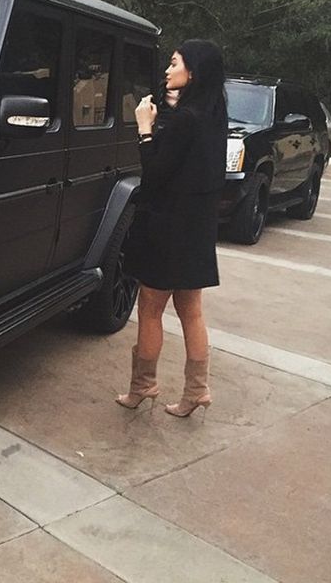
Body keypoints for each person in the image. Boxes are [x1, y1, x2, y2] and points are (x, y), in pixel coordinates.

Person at [116, 39, 228, 417]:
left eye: (174, 63)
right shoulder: (212, 115)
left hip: (166, 225)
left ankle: (142, 385)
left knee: (150, 307)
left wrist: (145, 128)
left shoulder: (185, 120)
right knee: (191, 310)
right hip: (196, 226)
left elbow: (157, 172)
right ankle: (197, 390)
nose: (167, 70)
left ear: (192, 72)